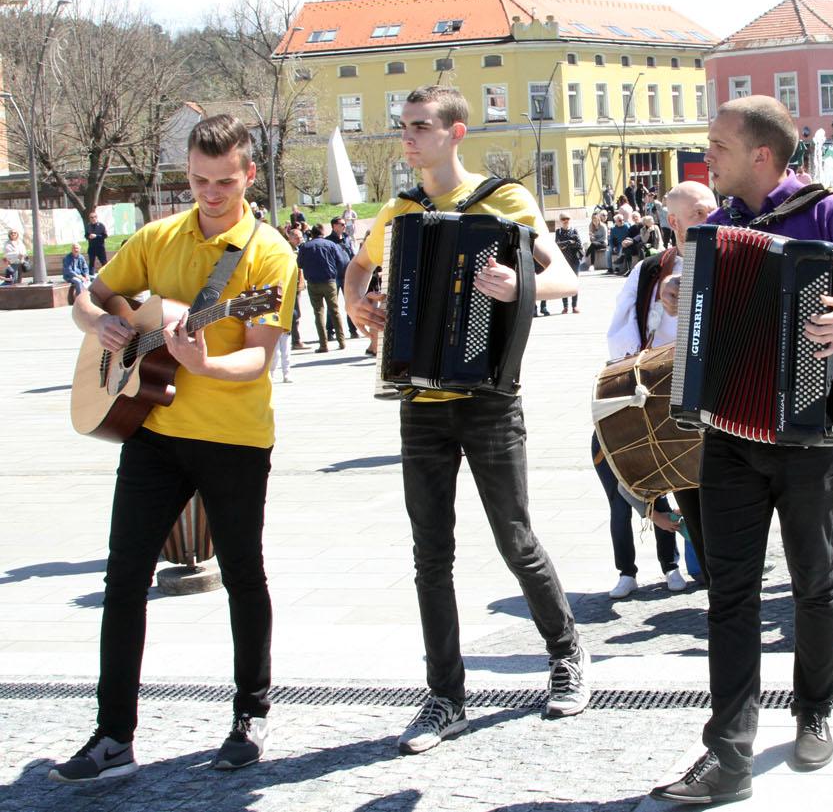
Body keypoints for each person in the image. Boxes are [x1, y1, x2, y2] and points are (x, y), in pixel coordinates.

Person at [650, 96, 833, 804]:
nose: (709, 159)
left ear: (762, 155)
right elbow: (697, 302)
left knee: (813, 578)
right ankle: (728, 755)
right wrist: (681, 288)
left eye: (719, 147)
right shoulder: (722, 224)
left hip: (812, 435)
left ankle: (815, 708)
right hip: (731, 431)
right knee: (728, 593)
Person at [342, 85, 589, 755]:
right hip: (419, 403)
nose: (408, 138)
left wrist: (520, 285)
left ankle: (567, 653)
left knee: (516, 539)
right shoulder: (400, 211)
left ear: (457, 132)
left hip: (486, 399)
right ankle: (445, 696)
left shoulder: (503, 201)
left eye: (420, 126)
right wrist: (357, 305)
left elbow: (565, 276)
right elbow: (359, 268)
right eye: (405, 126)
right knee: (431, 556)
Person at [50, 114, 297, 783]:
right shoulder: (158, 237)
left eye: (223, 181)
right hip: (153, 434)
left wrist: (204, 363)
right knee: (123, 576)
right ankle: (112, 735)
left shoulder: (270, 254)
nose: (210, 193)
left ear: (248, 174)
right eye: (197, 180)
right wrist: (101, 321)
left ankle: (251, 714)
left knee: (244, 574)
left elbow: (257, 358)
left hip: (233, 438)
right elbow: (90, 296)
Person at [601, 182, 721, 595]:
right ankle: (712, 586)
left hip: (726, 405)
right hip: (674, 409)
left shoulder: (735, 259)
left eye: (713, 210)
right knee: (692, 501)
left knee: (730, 504)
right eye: (700, 214)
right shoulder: (651, 270)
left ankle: (732, 586)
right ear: (674, 222)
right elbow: (619, 340)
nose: (712, 220)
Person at [296, 224, 348, 354]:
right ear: (322, 233)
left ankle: (323, 344)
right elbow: (341, 261)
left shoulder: (305, 247)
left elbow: (299, 264)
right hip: (329, 281)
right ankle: (341, 342)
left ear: (312, 234)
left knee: (318, 312)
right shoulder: (330, 244)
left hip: (313, 283)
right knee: (335, 311)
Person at [554, 214, 583, 314]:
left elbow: (579, 244)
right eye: (563, 219)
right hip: (563, 261)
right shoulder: (558, 231)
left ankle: (574, 306)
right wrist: (570, 242)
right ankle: (565, 307)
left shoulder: (574, 230)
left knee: (574, 283)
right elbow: (557, 245)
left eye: (567, 219)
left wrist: (566, 244)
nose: (566, 221)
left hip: (575, 260)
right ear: (560, 221)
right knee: (564, 284)